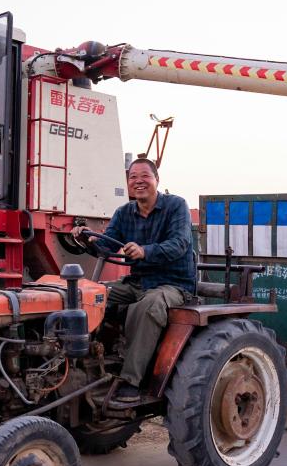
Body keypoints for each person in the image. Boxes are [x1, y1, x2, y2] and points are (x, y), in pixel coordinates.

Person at [72, 158, 196, 407]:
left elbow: (180, 243)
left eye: (144, 176)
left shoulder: (176, 206)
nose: (138, 182)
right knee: (86, 296)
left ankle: (131, 381)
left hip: (173, 284)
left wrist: (145, 251)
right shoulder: (124, 212)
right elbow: (106, 246)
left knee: (148, 306)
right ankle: (78, 364)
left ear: (156, 180)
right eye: (132, 178)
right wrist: (86, 239)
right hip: (137, 281)